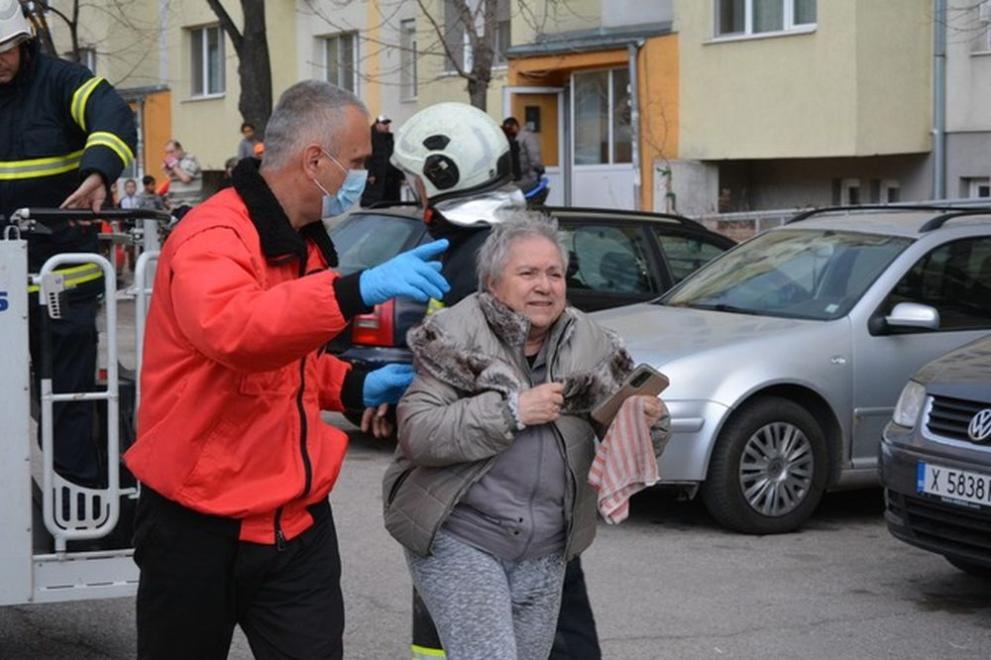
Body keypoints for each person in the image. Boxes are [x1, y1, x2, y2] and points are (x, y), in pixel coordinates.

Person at [123, 80, 451, 660]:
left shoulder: (302, 242)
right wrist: (356, 290)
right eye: (356, 162)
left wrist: (353, 384)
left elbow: (284, 363)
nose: (363, 178)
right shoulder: (213, 235)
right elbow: (240, 333)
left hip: (295, 524)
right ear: (315, 160)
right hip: (198, 527)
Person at [383, 214, 668, 659]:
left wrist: (645, 419)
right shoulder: (456, 336)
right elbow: (419, 432)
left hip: (546, 548)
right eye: (528, 273)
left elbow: (631, 431)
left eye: (554, 273)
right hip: (461, 534)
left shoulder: (590, 342)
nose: (545, 285)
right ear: (493, 283)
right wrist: (511, 411)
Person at [391, 101, 605, 660]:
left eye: (416, 179)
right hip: (488, 506)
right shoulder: (485, 244)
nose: (412, 191)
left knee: (554, 636)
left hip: (507, 500)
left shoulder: (479, 259)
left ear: (441, 174)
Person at [0, 2, 136, 488]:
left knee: (68, 406)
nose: (0, 62)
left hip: (64, 286)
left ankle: (77, 511)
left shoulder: (63, 82)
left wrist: (99, 169)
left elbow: (113, 114)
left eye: (5, 51)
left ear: (23, 43)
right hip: (3, 288)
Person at [502, 117, 547, 205]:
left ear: (516, 126)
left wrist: (539, 168)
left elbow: (534, 157)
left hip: (529, 177)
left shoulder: (527, 137)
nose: (509, 131)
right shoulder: (513, 138)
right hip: (518, 178)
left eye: (510, 128)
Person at [360, 114, 402, 207]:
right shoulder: (369, 138)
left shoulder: (388, 138)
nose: (387, 126)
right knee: (374, 202)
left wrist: (400, 175)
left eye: (388, 124)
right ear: (377, 124)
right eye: (384, 124)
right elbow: (366, 158)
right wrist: (370, 173)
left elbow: (394, 156)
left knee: (389, 202)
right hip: (376, 176)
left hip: (389, 176)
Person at [162, 138, 203, 216]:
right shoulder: (175, 162)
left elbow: (186, 178)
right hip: (175, 205)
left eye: (171, 152)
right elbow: (170, 177)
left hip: (188, 204)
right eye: (167, 153)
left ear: (179, 150)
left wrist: (173, 166)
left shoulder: (190, 159)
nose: (169, 155)